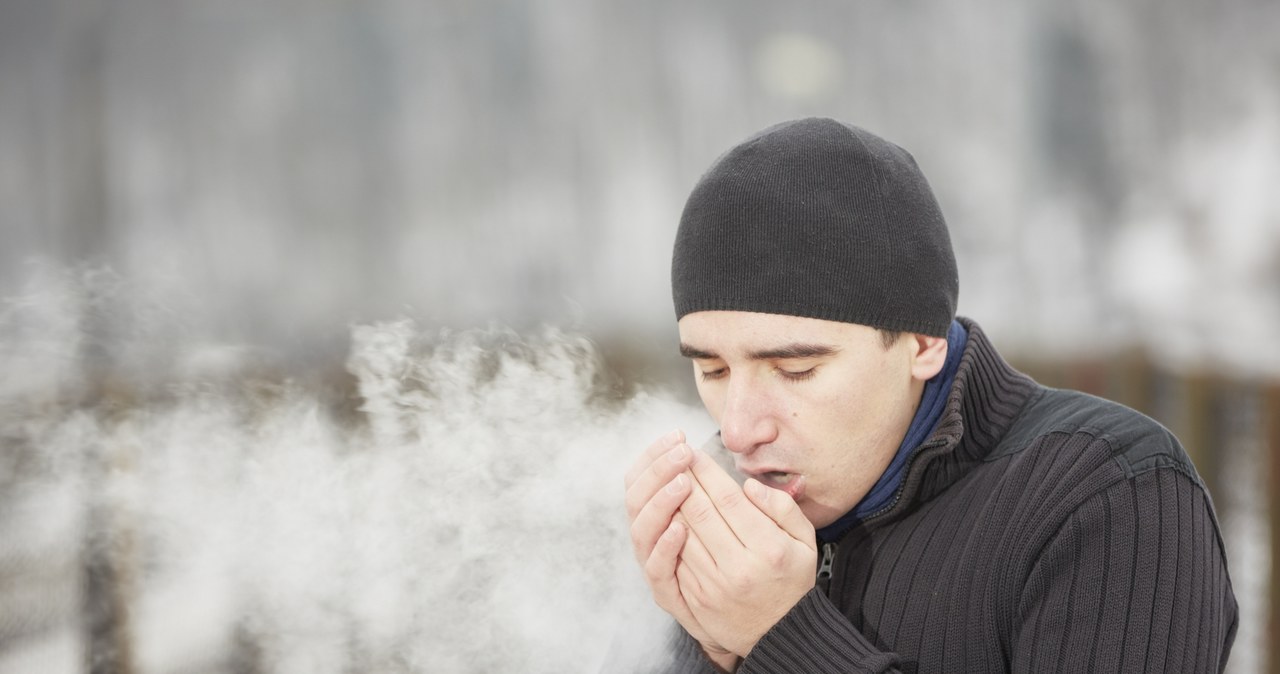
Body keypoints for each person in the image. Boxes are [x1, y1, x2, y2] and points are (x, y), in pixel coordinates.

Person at [623, 117, 1238, 673]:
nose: (737, 431)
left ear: (922, 343)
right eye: (714, 371)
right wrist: (711, 651)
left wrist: (781, 639)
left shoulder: (1111, 497)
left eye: (795, 369)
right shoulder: (720, 524)